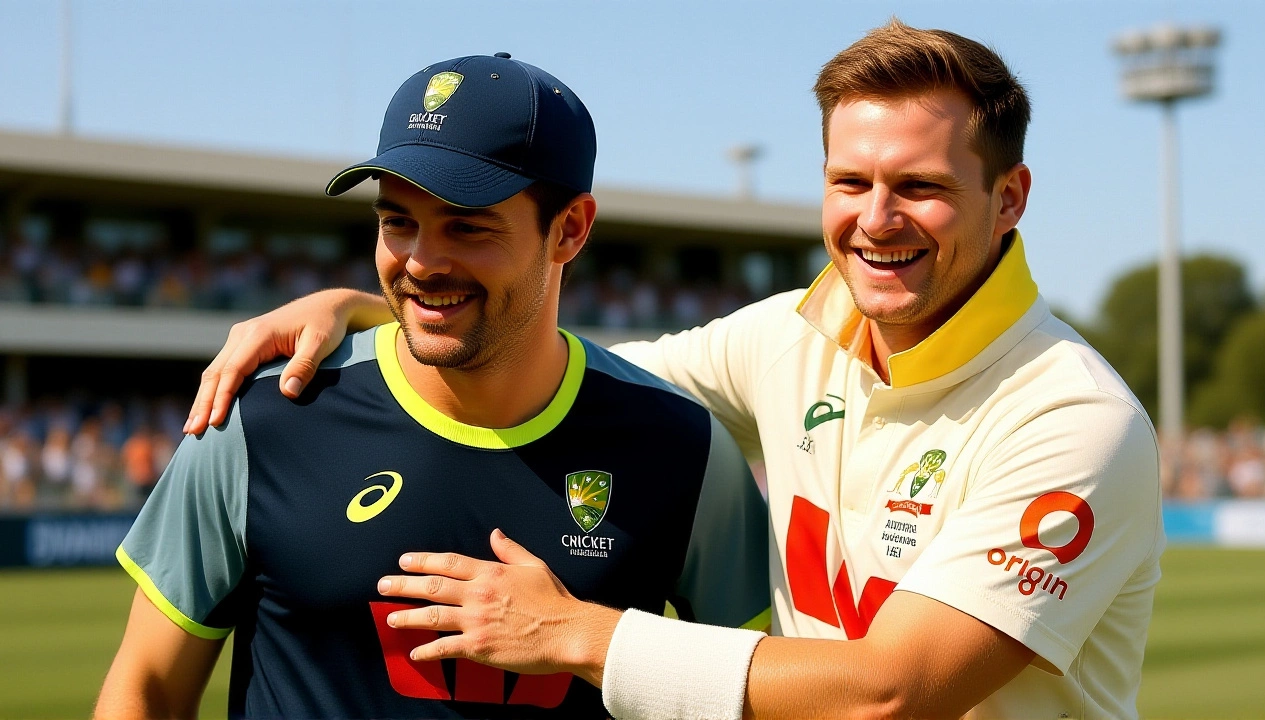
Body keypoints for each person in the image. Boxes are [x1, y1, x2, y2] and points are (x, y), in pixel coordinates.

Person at [186, 20, 1165, 720]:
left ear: (1009, 198)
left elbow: (892, 692)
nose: (874, 219)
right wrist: (374, 306)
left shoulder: (1070, 417)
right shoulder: (791, 334)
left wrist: (575, 634)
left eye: (919, 187)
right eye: (848, 181)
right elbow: (559, 369)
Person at [97, 53, 769, 720]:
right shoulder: (261, 419)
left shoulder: (683, 449)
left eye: (466, 226)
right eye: (398, 222)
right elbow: (146, 688)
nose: (421, 262)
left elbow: (753, 695)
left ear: (570, 229)